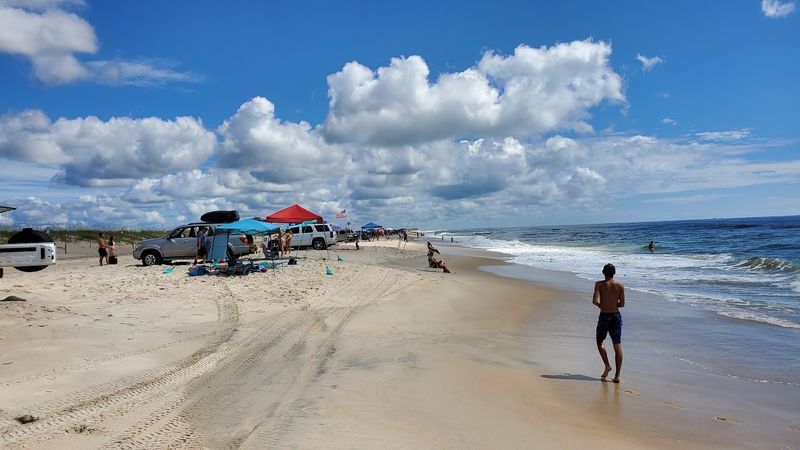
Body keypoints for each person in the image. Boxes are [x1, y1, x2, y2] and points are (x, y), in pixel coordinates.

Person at [593, 263, 625, 383]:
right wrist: (613, 304)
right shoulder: (620, 285)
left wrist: (603, 305)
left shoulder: (599, 284)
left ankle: (607, 365)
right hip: (616, 316)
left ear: (603, 272)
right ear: (614, 273)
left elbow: (594, 301)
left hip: (604, 316)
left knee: (600, 341)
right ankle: (617, 376)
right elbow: (622, 304)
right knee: (617, 345)